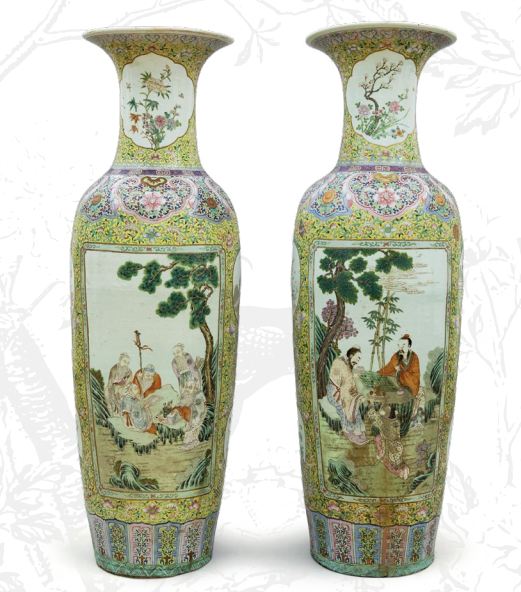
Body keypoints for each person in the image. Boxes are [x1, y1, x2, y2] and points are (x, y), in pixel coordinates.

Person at [326, 347, 368, 445]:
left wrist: (354, 393)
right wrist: (350, 396)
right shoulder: (340, 363)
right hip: (335, 393)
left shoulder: (348, 365)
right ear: (351, 355)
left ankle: (358, 432)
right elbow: (343, 383)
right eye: (358, 358)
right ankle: (349, 432)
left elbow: (349, 383)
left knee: (354, 408)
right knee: (346, 411)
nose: (358, 361)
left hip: (345, 392)